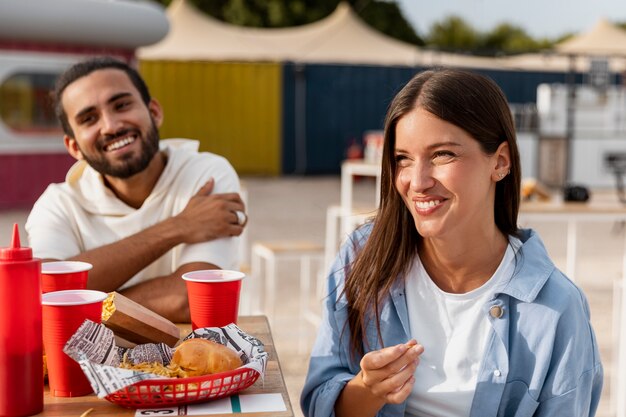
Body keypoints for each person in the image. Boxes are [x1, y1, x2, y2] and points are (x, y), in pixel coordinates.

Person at [301, 68, 603, 417]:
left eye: (443, 154)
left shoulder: (557, 311)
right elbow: (319, 403)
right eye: (403, 159)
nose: (418, 181)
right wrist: (368, 389)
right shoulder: (361, 257)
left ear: (500, 162)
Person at [26, 57, 247, 323]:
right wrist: (178, 227)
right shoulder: (57, 204)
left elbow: (190, 300)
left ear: (154, 112)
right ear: (74, 147)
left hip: (193, 361)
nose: (111, 126)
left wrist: (77, 306)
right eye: (89, 118)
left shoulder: (205, 174)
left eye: (121, 105)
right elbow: (42, 297)